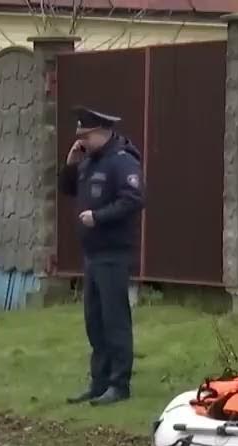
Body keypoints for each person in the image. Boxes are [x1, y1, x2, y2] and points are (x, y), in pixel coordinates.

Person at [57, 106, 145, 407]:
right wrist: (70, 164)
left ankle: (119, 384)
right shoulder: (88, 160)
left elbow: (134, 198)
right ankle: (99, 382)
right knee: (94, 321)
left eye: (85, 136)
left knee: (114, 319)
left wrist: (99, 216)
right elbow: (67, 189)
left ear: (102, 132)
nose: (81, 141)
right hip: (92, 254)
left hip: (114, 251)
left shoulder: (121, 160)